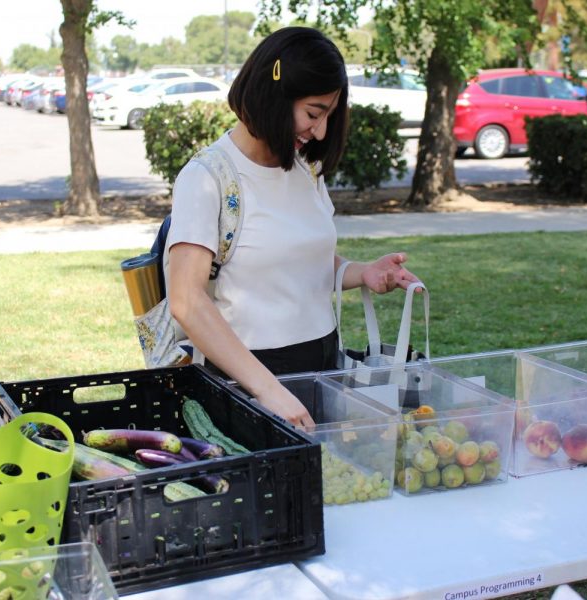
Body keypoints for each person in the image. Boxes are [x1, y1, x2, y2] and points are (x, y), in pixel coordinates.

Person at [165, 27, 421, 428]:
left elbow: (301, 260)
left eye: (327, 117)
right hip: (248, 378)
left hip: (322, 364)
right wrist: (267, 390)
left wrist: (363, 272)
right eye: (313, 114)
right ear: (273, 95)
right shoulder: (207, 177)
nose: (319, 131)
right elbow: (186, 300)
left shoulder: (306, 168)